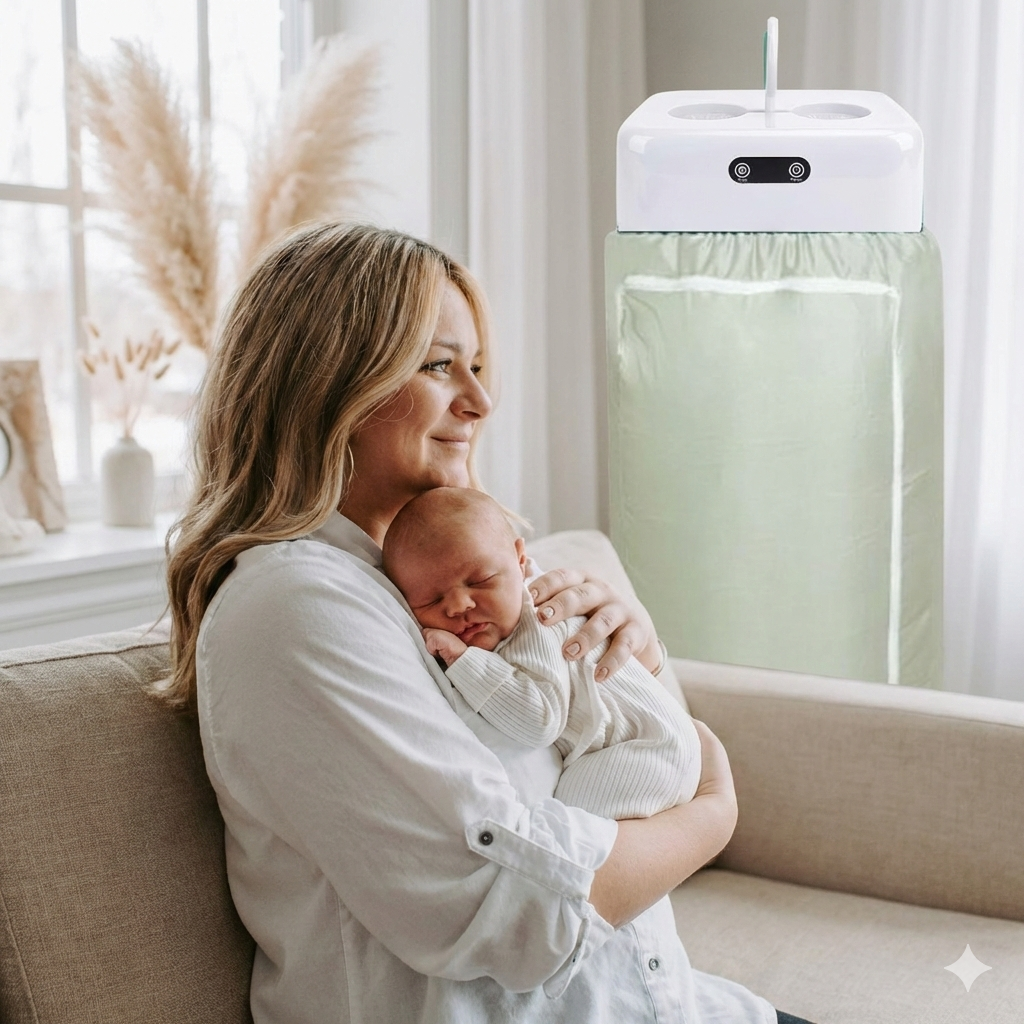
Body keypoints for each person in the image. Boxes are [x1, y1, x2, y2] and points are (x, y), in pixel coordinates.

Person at [165, 222, 814, 1024]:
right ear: (326, 382)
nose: (480, 400)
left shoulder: (442, 574)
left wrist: (632, 664)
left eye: (476, 366)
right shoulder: (298, 606)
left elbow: (596, 769)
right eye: (439, 365)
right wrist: (711, 816)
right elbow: (516, 917)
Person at [381, 486, 702, 821]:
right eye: (432, 600)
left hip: (649, 749)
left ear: (520, 562)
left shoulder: (538, 621)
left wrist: (463, 661)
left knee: (561, 825)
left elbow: (539, 722)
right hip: (660, 748)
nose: (459, 605)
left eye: (480, 580)